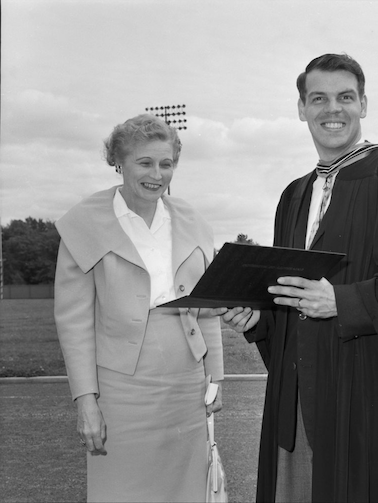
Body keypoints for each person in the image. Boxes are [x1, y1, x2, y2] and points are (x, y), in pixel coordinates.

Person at [222, 54, 378, 502]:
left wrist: (345, 302)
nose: (331, 109)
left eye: (345, 97)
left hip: (372, 391)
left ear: (364, 104)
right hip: (302, 393)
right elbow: (289, 299)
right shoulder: (293, 196)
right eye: (318, 98)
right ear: (302, 108)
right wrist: (257, 322)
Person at [54, 114, 224, 503]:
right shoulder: (83, 222)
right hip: (120, 391)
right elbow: (73, 322)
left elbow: (207, 305)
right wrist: (86, 401)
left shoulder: (192, 219)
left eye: (167, 163)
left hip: (186, 384)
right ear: (119, 162)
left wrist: (215, 375)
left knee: (188, 490)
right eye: (144, 163)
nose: (157, 174)